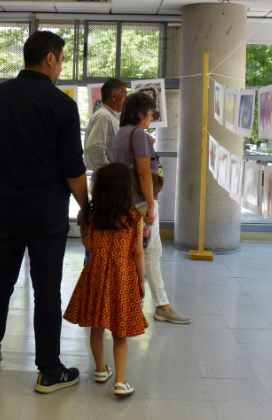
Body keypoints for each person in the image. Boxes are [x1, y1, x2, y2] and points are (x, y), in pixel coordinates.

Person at [0, 30, 89, 394]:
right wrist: (87, 207)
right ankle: (48, 371)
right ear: (50, 59)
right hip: (46, 214)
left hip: (6, 208)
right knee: (46, 290)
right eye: (61, 61)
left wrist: (3, 187)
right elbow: (73, 168)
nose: (60, 70)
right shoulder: (62, 105)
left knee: (0, 281)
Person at [64, 163, 147, 397]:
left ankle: (101, 369)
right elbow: (138, 253)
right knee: (120, 332)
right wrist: (141, 281)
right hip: (122, 276)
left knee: (96, 325)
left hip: (96, 273)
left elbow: (90, 247)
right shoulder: (134, 218)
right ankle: (120, 381)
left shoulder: (92, 217)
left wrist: (83, 228)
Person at [112, 92, 190, 325]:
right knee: (152, 252)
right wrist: (151, 206)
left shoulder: (121, 134)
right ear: (140, 114)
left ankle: (121, 301)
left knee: (132, 253)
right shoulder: (139, 135)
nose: (151, 120)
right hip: (141, 203)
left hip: (124, 200)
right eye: (150, 115)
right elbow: (145, 172)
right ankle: (161, 304)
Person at [84, 78, 127, 175]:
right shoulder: (104, 116)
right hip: (108, 177)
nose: (126, 99)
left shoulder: (113, 116)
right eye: (124, 95)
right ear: (114, 96)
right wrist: (110, 169)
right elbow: (95, 148)